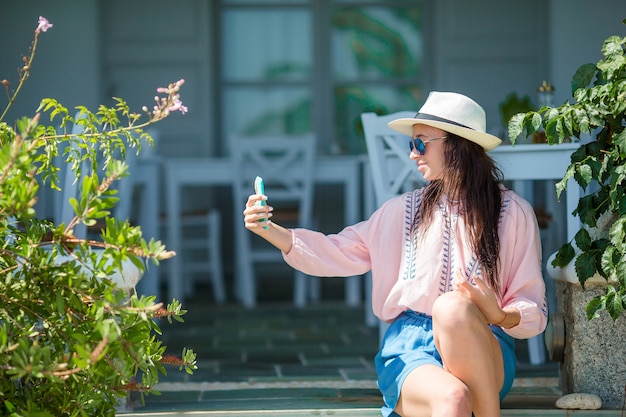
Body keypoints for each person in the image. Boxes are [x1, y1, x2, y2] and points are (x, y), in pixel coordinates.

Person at [242, 91, 548, 417]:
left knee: (453, 308)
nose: (412, 154)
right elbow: (337, 250)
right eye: (411, 144)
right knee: (452, 399)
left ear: (458, 145)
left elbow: (532, 310)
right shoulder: (402, 211)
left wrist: (497, 314)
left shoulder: (513, 213)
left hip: (485, 344)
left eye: (420, 143)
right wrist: (269, 230)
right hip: (414, 349)